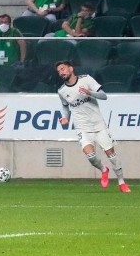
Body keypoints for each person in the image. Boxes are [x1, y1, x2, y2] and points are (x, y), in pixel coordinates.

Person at [55, 60, 130, 192]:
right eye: (59, 71)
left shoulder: (86, 79)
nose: (61, 72)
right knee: (90, 156)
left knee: (111, 155)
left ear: (71, 69)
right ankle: (103, 169)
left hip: (98, 125)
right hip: (82, 127)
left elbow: (104, 96)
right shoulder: (62, 91)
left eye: (63, 69)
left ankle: (121, 182)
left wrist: (90, 93)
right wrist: (65, 118)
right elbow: (65, 107)